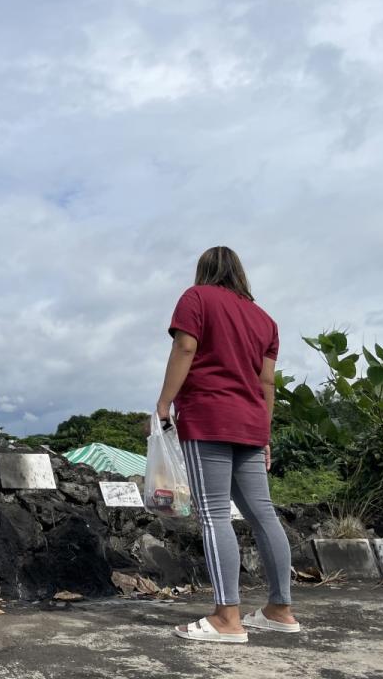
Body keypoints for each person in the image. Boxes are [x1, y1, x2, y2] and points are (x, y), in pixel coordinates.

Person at [157, 246, 299, 644]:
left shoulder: (196, 298)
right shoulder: (265, 320)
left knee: (215, 515)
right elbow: (266, 382)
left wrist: (164, 402)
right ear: (240, 273)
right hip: (252, 423)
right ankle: (280, 610)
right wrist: (264, 433)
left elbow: (185, 348)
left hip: (209, 417)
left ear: (204, 270)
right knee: (263, 514)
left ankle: (227, 618)